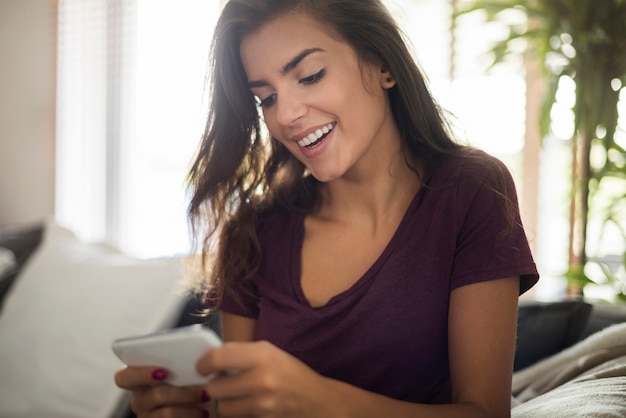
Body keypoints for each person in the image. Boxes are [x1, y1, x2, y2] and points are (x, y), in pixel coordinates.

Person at [115, 0, 539, 417]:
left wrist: (318, 400)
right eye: (266, 99)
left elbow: (484, 411)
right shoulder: (253, 232)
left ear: (382, 64)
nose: (287, 115)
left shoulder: (470, 191)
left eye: (310, 75)